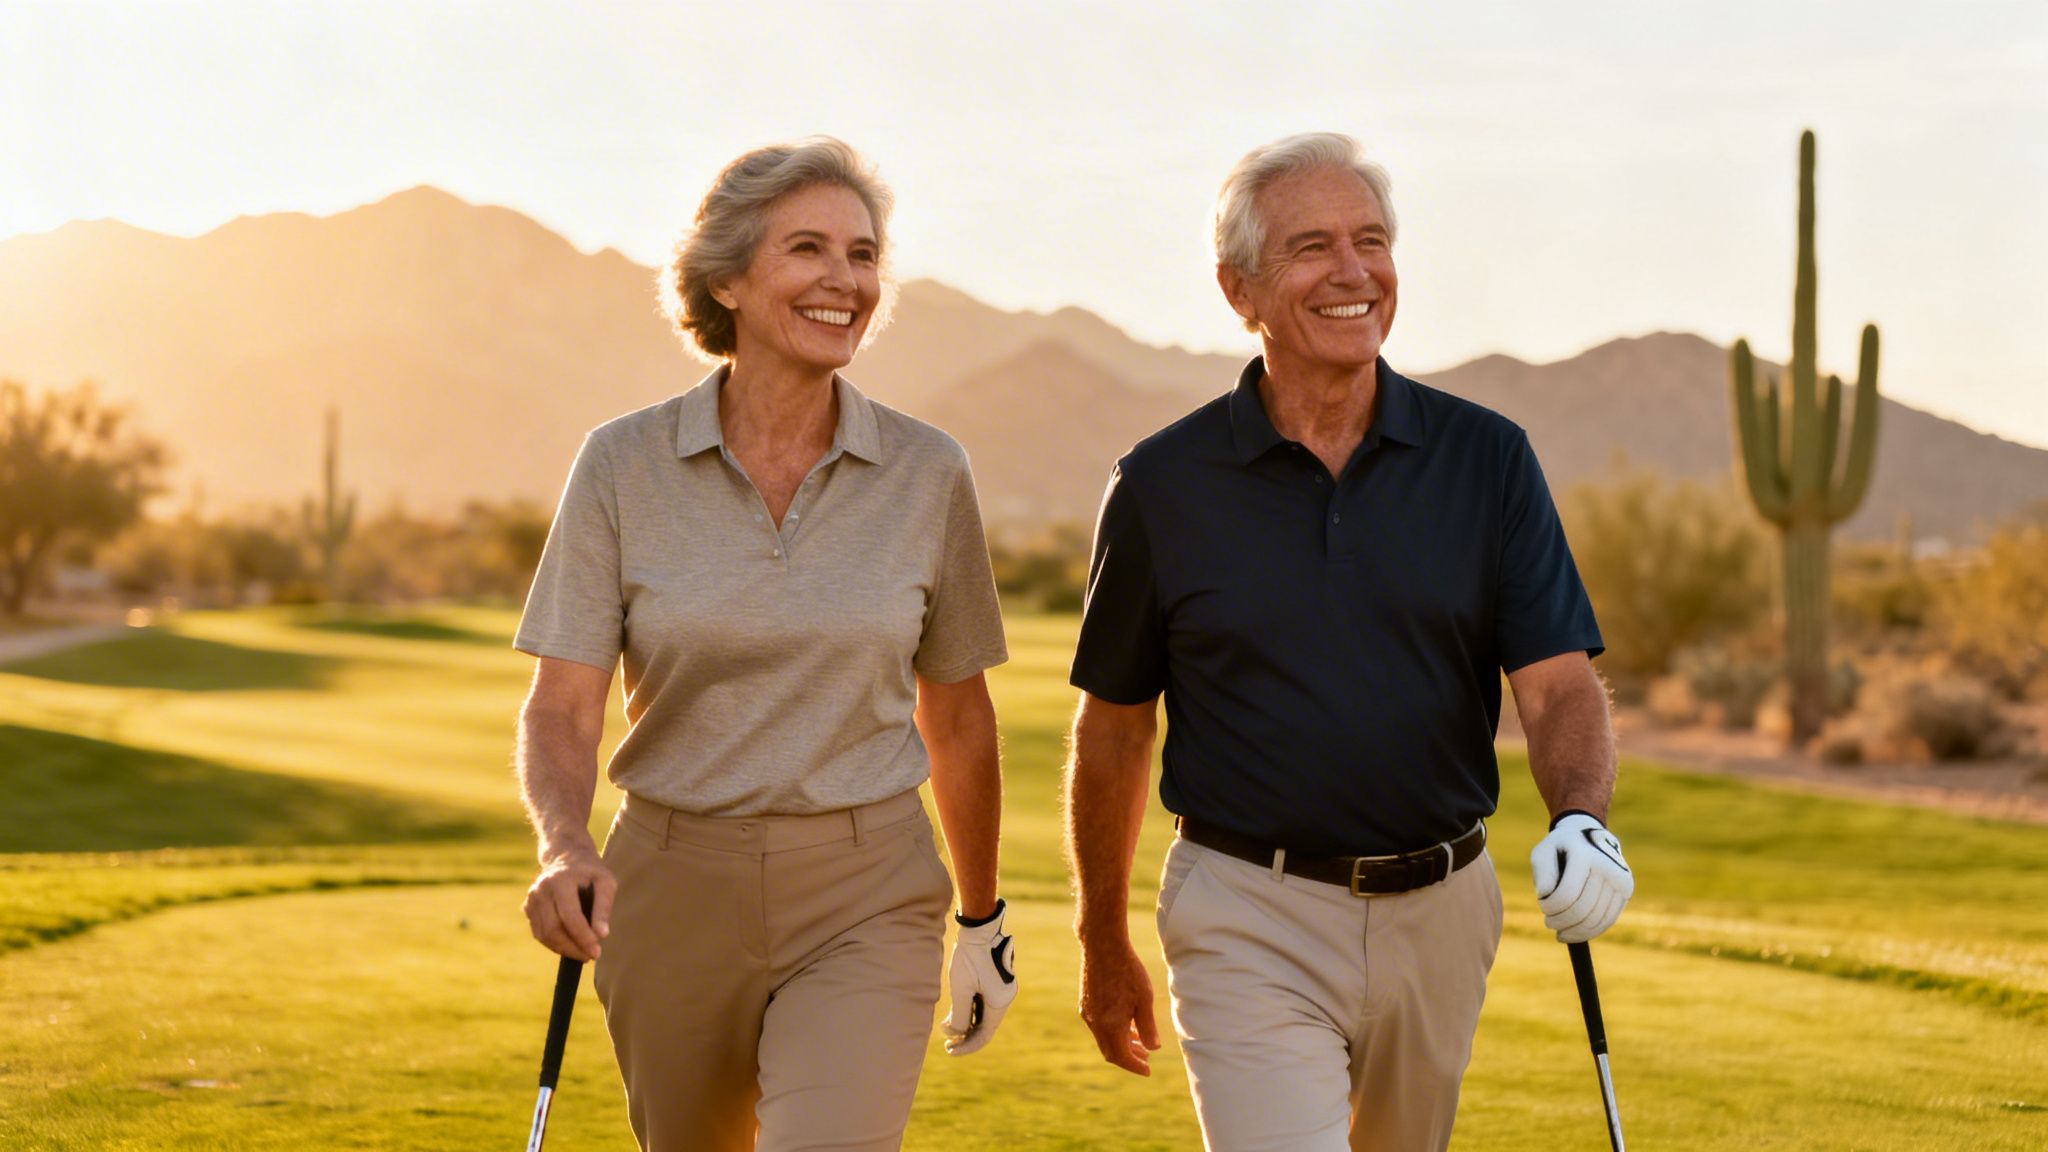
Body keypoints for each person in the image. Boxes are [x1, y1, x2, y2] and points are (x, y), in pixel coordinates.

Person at [1063, 132, 1634, 1152]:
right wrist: (1099, 937)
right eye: (1311, 246)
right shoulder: (1160, 484)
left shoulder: (1485, 459)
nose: (1351, 271)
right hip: (1246, 908)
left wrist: (1581, 818)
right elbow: (1111, 729)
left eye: (1370, 241)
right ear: (1239, 290)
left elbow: (1555, 687)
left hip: (1443, 910)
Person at [513, 137, 1017, 1152]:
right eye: (807, 251)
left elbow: (957, 714)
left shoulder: (927, 472)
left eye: (863, 255)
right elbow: (562, 704)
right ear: (729, 279)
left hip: (866, 889)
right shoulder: (621, 464)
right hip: (667, 887)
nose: (845, 280)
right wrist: (564, 844)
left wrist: (981, 921)